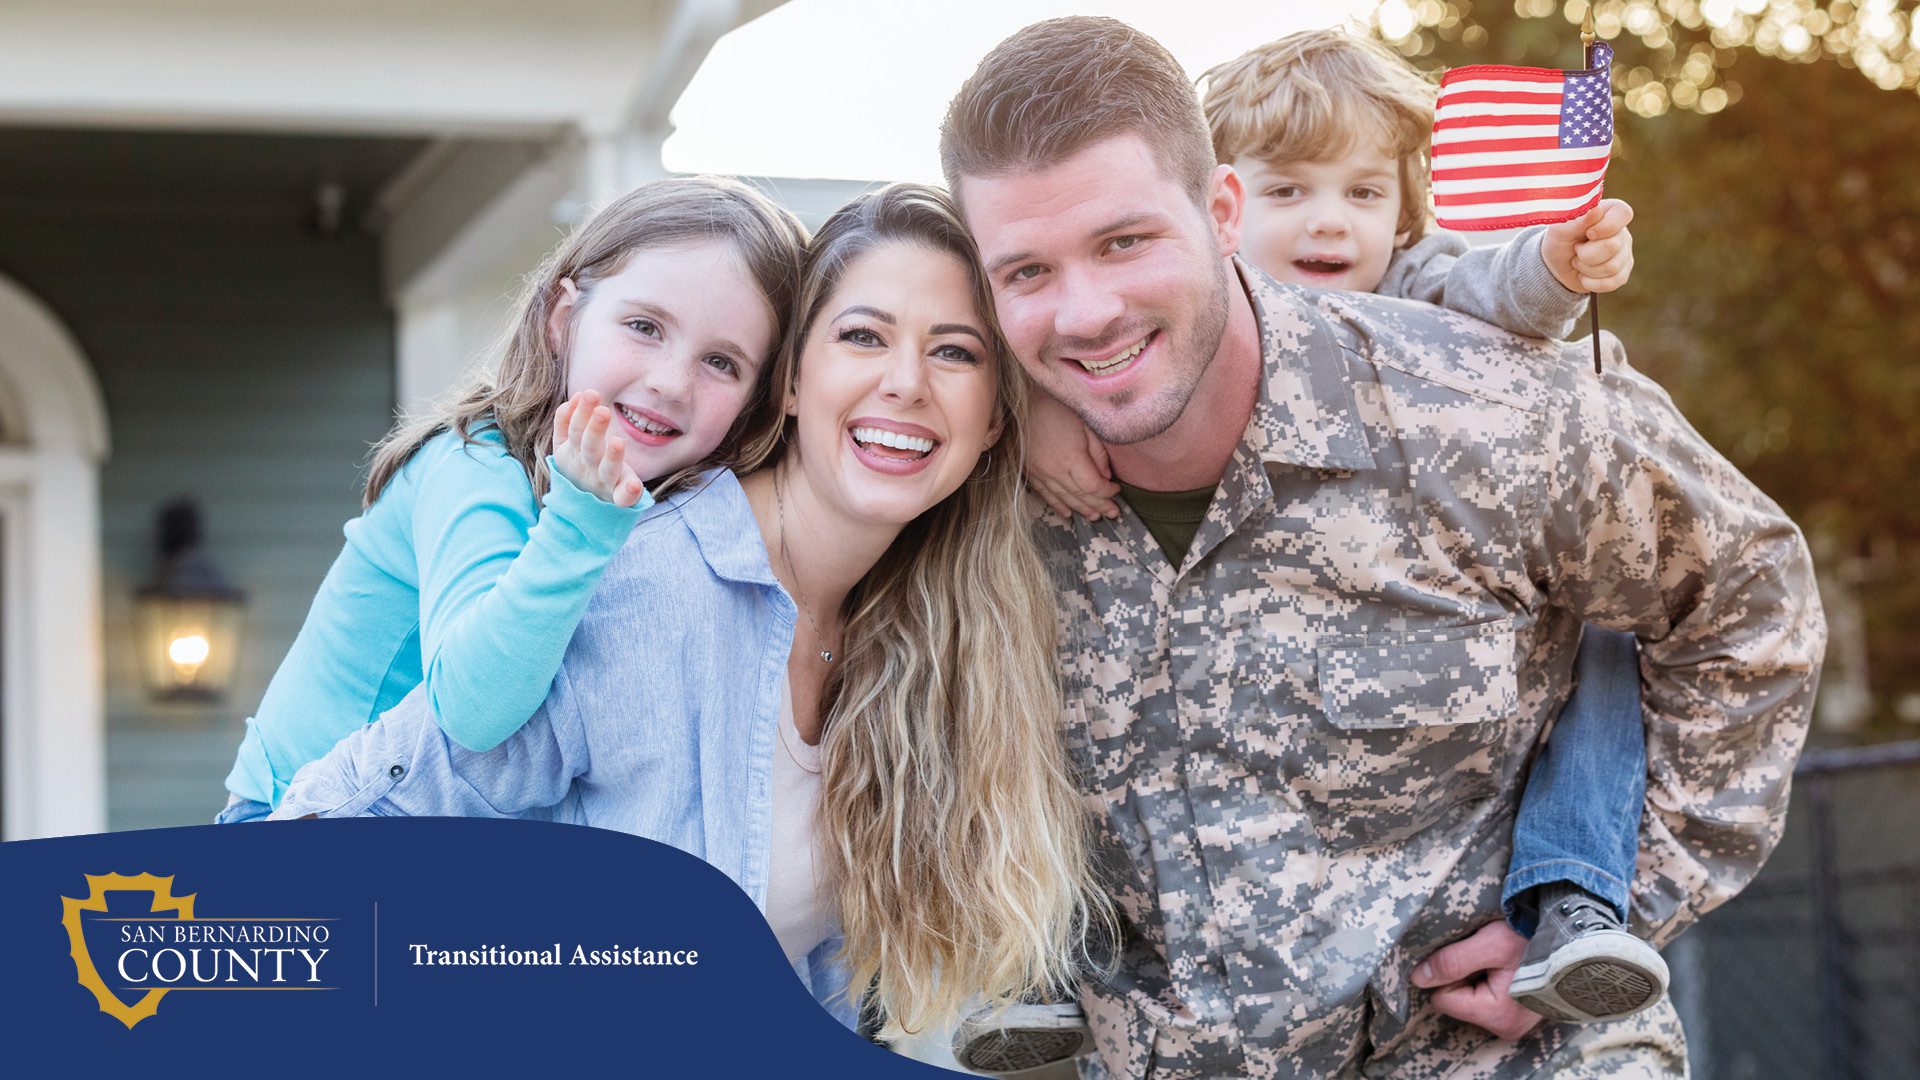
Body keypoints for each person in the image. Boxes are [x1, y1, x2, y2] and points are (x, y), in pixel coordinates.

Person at [941, 16, 1824, 1078]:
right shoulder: (961, 479)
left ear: (1220, 210)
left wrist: (1601, 912)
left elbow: (1751, 604)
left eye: (1126, 242)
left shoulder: (1488, 407)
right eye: (1026, 271)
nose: (1086, 310)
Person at [269, 183, 1111, 1040]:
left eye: (957, 354)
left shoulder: (912, 628)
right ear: (790, 384)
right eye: (862, 336)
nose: (905, 383)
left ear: (998, 417)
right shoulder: (638, 583)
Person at [216, 177, 807, 821]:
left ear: (758, 400)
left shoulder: (684, 529)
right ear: (564, 320)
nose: (670, 383)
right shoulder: (473, 465)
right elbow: (474, 712)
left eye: (722, 363)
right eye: (644, 326)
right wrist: (582, 519)